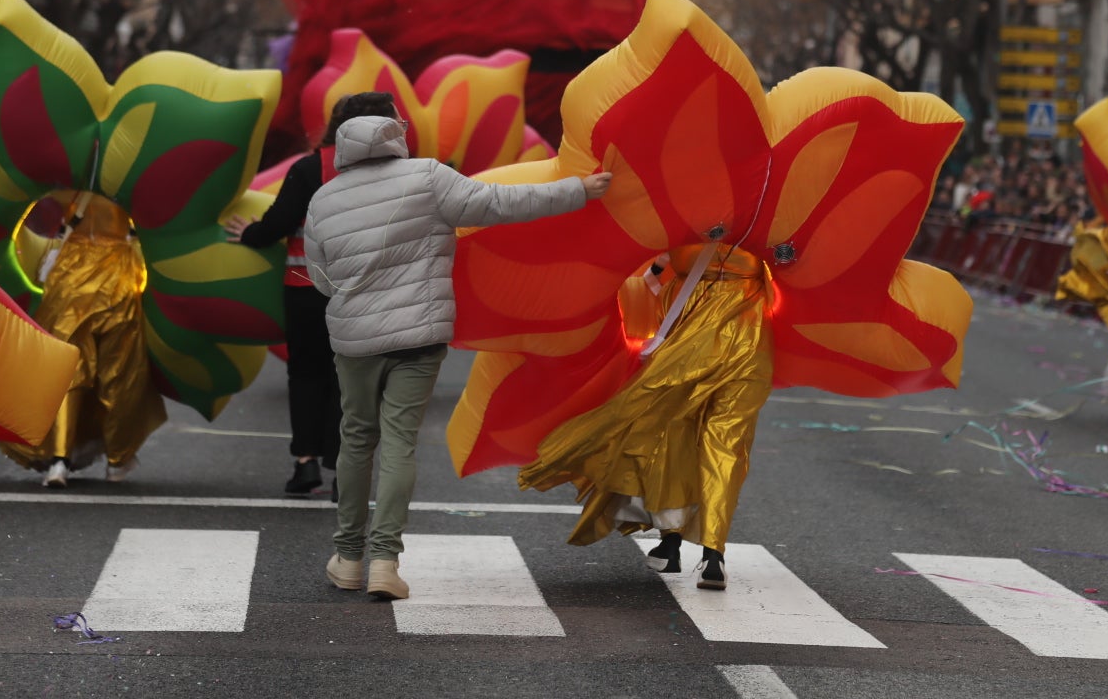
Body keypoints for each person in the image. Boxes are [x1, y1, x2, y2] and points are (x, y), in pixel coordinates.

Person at [305, 91, 611, 602]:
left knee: (357, 438)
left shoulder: (325, 198)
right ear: (395, 134)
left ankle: (348, 557)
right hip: (419, 333)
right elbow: (502, 204)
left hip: (354, 336)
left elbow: (320, 277)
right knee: (400, 440)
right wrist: (578, 190)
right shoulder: (428, 177)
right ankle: (385, 561)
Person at [518, 244, 774, 591]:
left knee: (684, 436)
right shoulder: (756, 217)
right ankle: (697, 548)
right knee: (695, 440)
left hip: (720, 344)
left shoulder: (707, 213)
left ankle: (693, 546)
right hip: (721, 341)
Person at [224, 96, 361, 496]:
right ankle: (344, 472)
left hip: (304, 287)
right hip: (357, 292)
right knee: (348, 379)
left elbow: (279, 222)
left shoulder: (308, 168)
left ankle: (305, 464)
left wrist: (249, 233)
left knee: (305, 374)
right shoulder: (382, 171)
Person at [0, 189, 162, 486]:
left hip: (70, 278)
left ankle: (58, 460)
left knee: (66, 372)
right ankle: (117, 460)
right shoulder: (129, 175)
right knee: (118, 372)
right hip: (119, 277)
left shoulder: (68, 176)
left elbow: (23, 201)